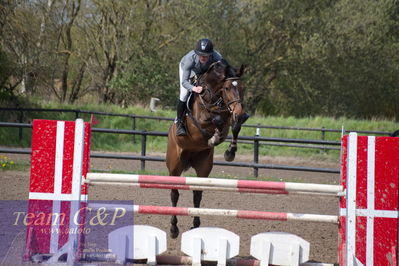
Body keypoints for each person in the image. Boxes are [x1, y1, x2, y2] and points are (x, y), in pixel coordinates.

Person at [175, 38, 223, 136]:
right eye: (200, 55)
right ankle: (179, 123)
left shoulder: (217, 58)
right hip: (190, 70)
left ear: (211, 54)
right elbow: (184, 82)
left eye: (206, 55)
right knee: (184, 94)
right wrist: (193, 88)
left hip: (205, 71)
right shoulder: (189, 59)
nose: (203, 57)